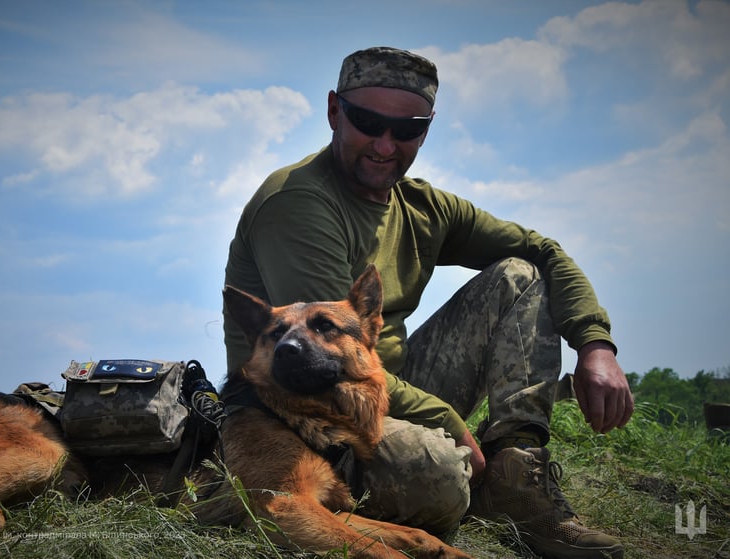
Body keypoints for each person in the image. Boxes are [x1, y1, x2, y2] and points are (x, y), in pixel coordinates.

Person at [222, 46, 634, 559]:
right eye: (367, 121)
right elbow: (324, 363)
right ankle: (432, 488)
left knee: (519, 274)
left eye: (407, 129)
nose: (383, 144)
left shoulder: (425, 205)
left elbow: (543, 250)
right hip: (307, 411)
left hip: (384, 390)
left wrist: (595, 345)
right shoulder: (299, 203)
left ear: (427, 128)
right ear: (334, 111)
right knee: (438, 478)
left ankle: (516, 481)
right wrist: (453, 425)